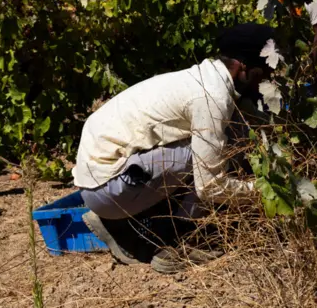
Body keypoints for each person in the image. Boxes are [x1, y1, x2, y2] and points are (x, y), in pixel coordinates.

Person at [72, 22, 277, 273]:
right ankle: (184, 238)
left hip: (98, 182)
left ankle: (122, 223)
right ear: (244, 66)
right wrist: (265, 191)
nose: (268, 76)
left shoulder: (203, 77)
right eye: (264, 69)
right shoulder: (211, 96)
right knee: (217, 151)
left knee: (219, 138)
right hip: (109, 187)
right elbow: (210, 186)